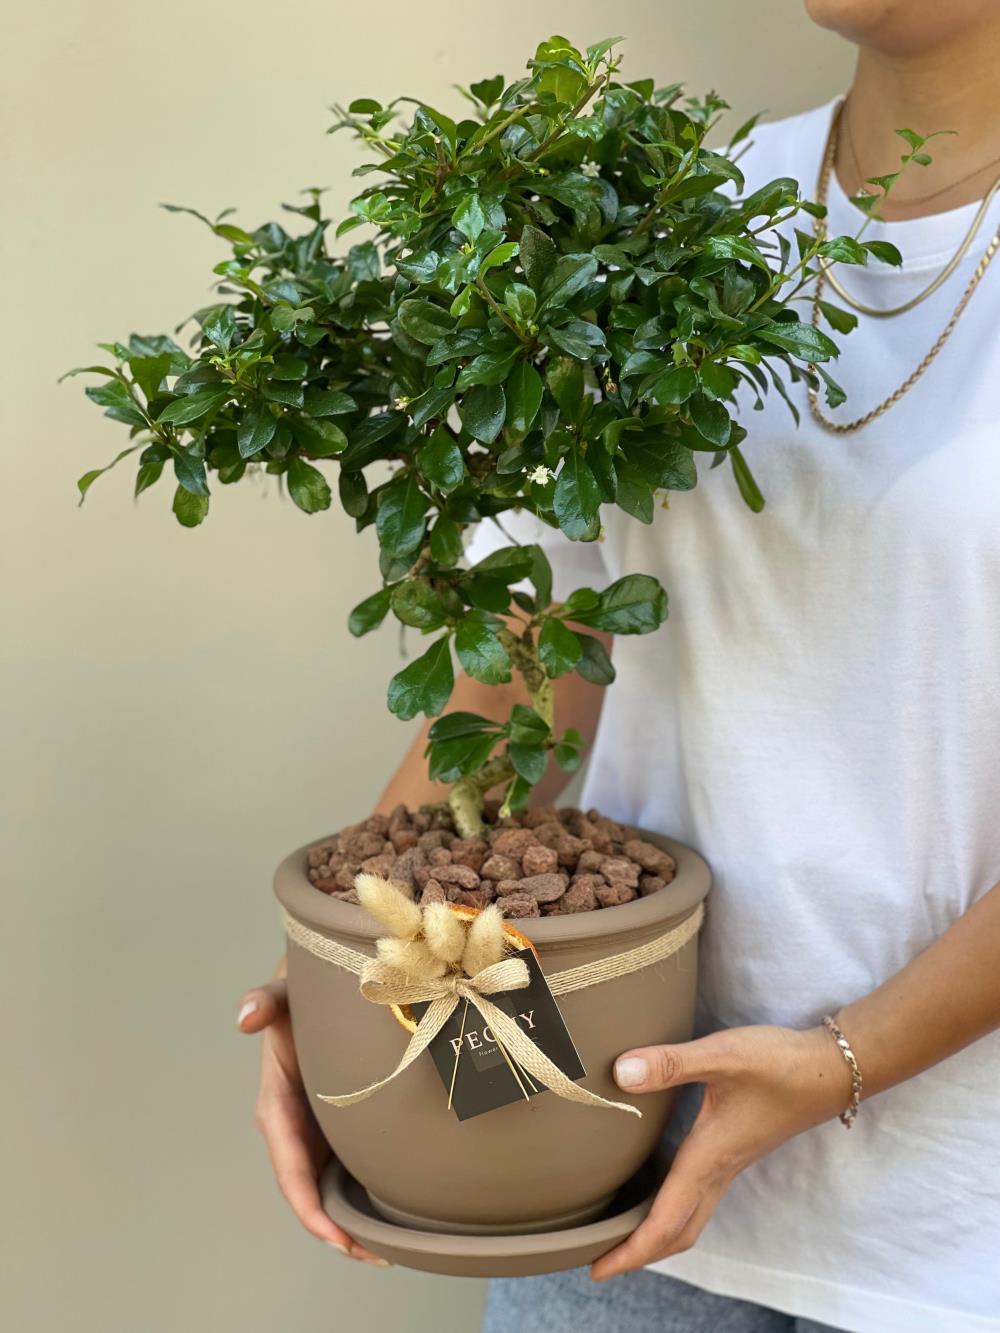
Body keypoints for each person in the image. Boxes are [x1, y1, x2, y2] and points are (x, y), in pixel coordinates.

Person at [237, 2, 1000, 1328]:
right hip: (596, 1156)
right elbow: (531, 667)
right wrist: (371, 965)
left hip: (951, 1232)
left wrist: (841, 1062)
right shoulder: (666, 228)